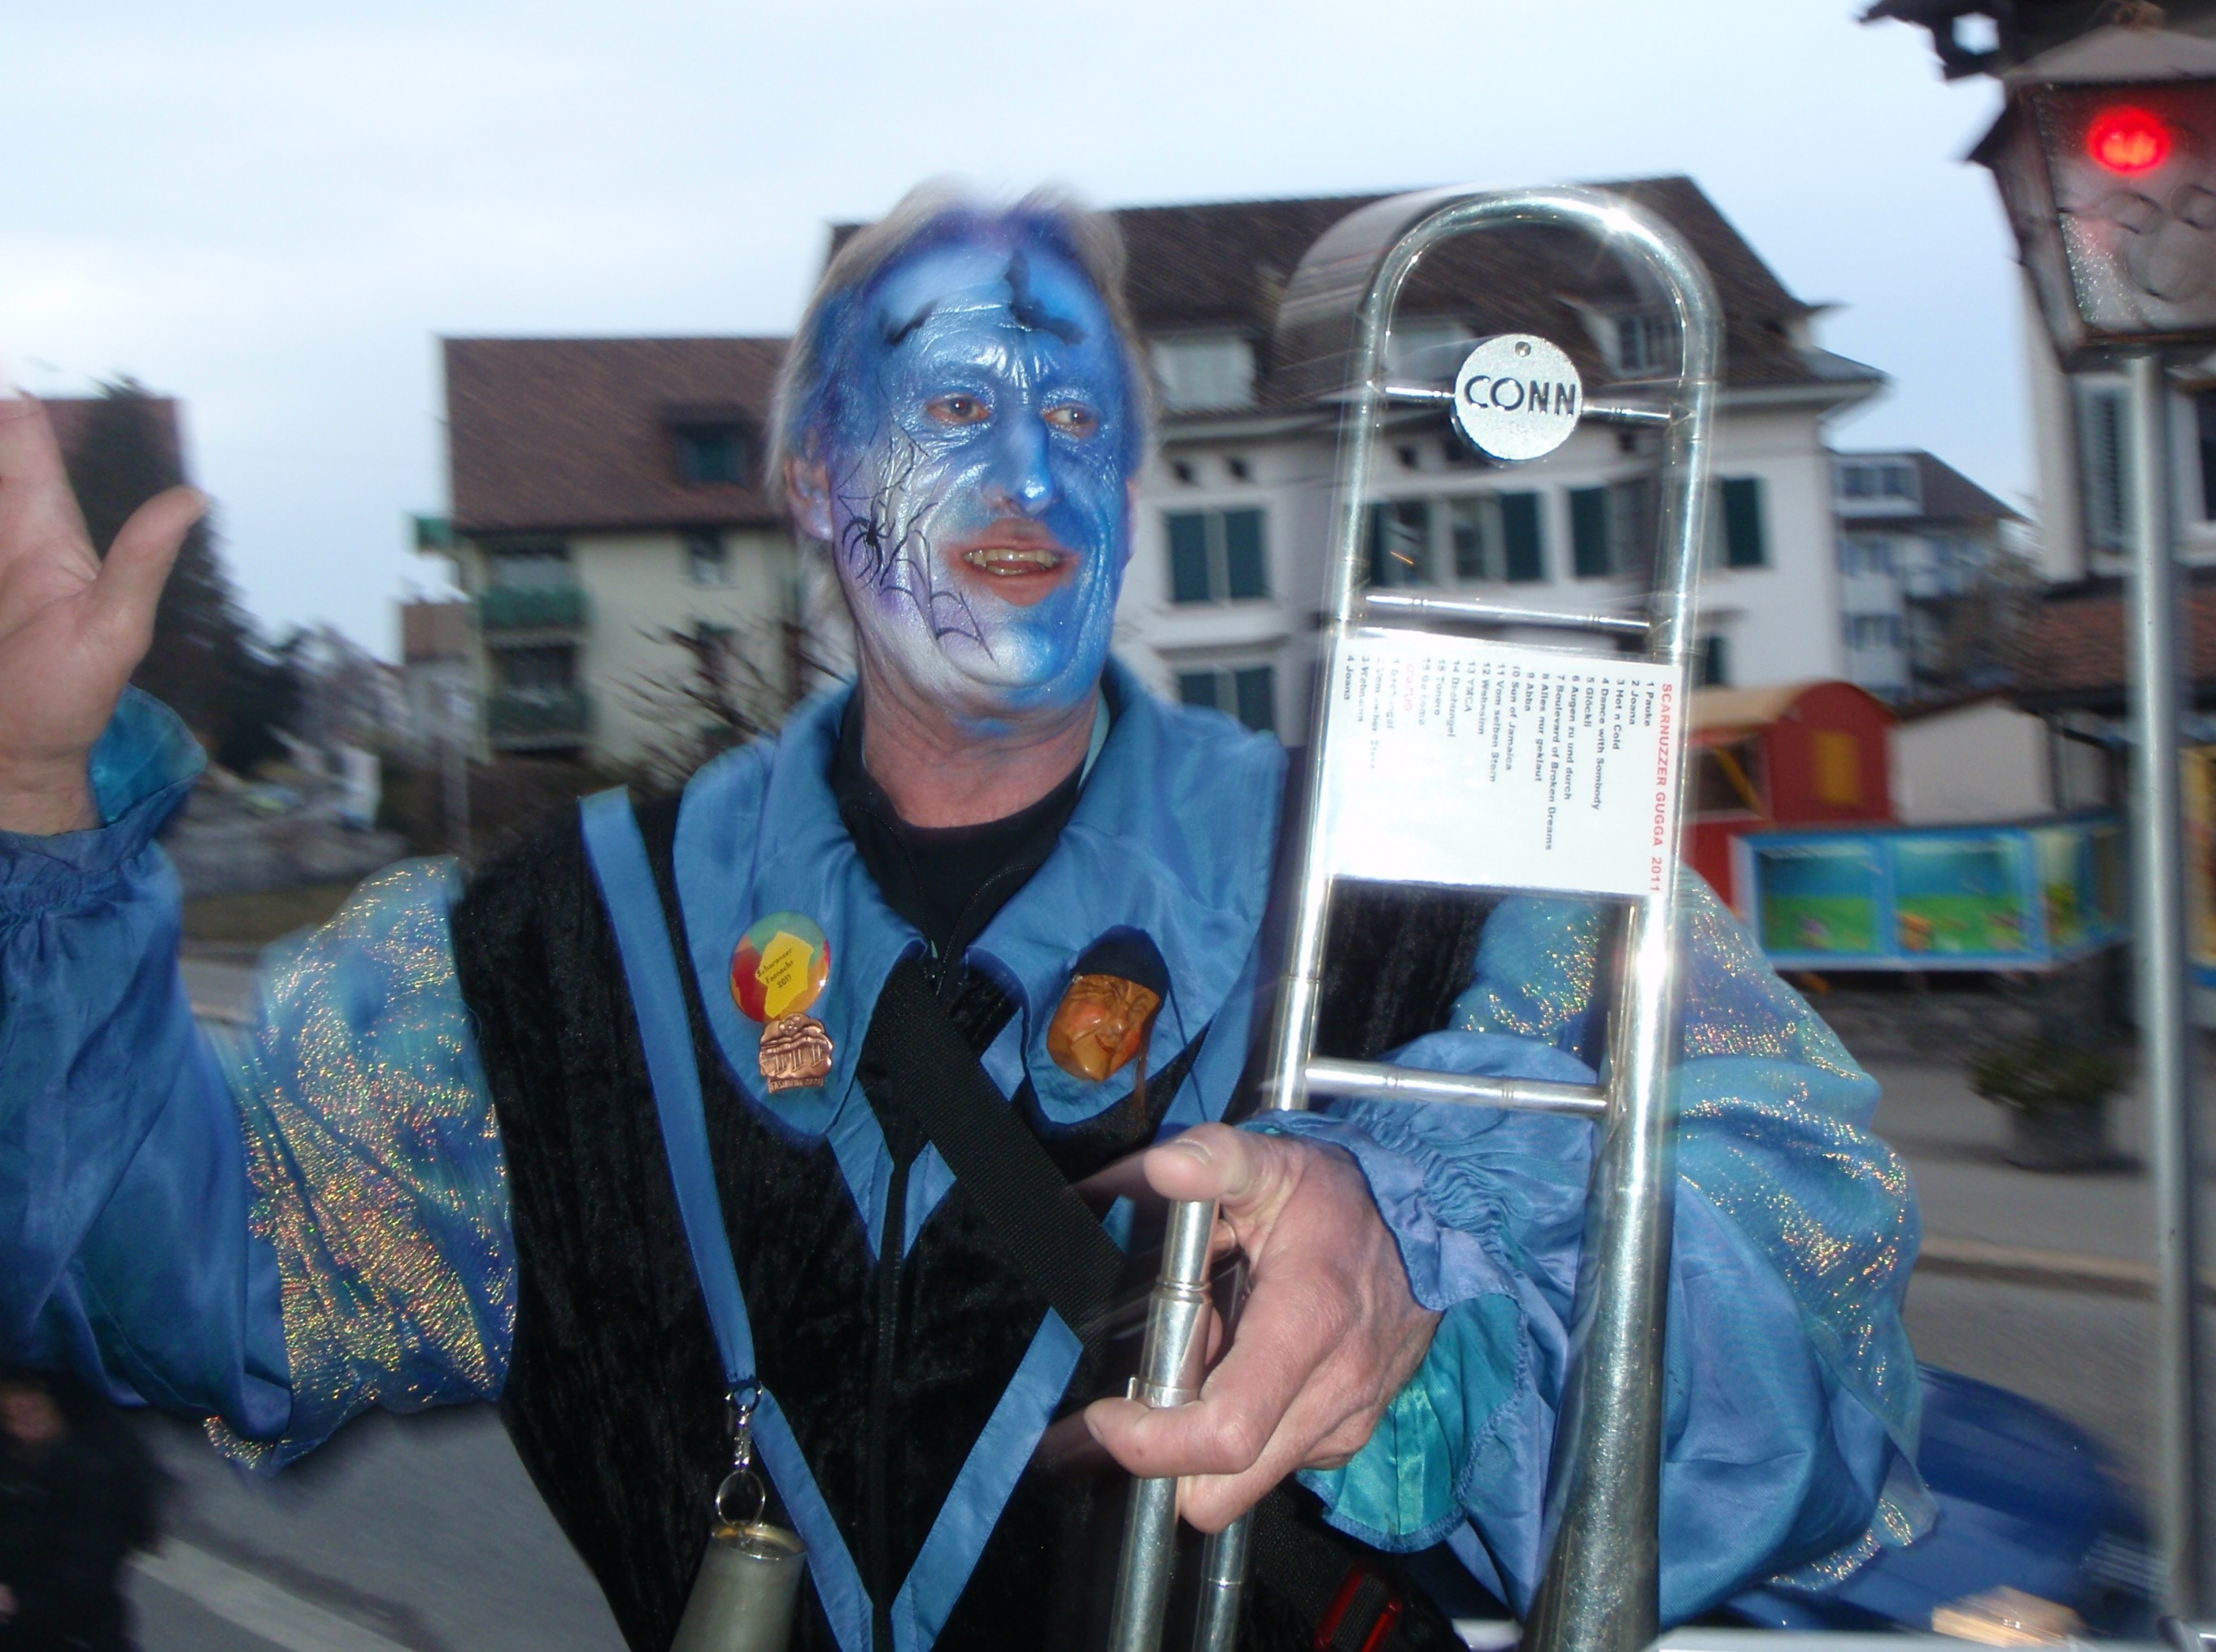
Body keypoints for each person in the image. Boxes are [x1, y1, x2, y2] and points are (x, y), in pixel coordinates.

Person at [0, 187, 1926, 1650]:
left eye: (1079, 414)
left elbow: (1806, 1315)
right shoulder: (552, 950)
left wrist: (1431, 1275)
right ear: (812, 479)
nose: (1027, 472)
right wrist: (29, 811)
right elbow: (199, 1289)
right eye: (951, 405)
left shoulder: (1442, 889)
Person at [0, 1367, 161, 1652]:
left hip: (74, 1638)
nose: (20, 1404)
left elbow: (84, 1579)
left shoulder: (100, 1474)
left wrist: (17, 1601)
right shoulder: (12, 1459)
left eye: (35, 1390)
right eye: (11, 1390)